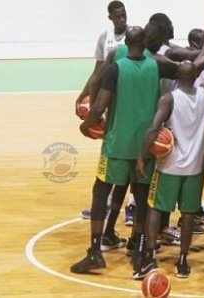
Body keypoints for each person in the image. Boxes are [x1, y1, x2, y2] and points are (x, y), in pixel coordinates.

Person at [70, 26, 178, 274]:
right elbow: (184, 70)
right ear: (144, 43)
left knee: (100, 193)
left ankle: (96, 251)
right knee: (142, 199)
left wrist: (86, 126)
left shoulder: (115, 69)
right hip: (145, 147)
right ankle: (140, 251)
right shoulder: (157, 65)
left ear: (126, 43)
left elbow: (99, 107)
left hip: (117, 145)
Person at [133, 29, 204, 280]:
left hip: (169, 166)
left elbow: (154, 128)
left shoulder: (169, 99)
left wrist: (142, 157)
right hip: (195, 168)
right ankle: (184, 262)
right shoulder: (203, 93)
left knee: (155, 210)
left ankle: (151, 258)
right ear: (195, 75)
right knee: (187, 215)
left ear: (177, 75)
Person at [75, 0, 135, 227]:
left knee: (128, 156)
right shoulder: (105, 38)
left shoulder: (133, 37)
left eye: (124, 15)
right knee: (112, 157)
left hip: (127, 101)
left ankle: (131, 206)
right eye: (118, 16)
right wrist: (82, 96)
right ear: (110, 17)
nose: (122, 19)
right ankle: (104, 203)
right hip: (109, 101)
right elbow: (97, 71)